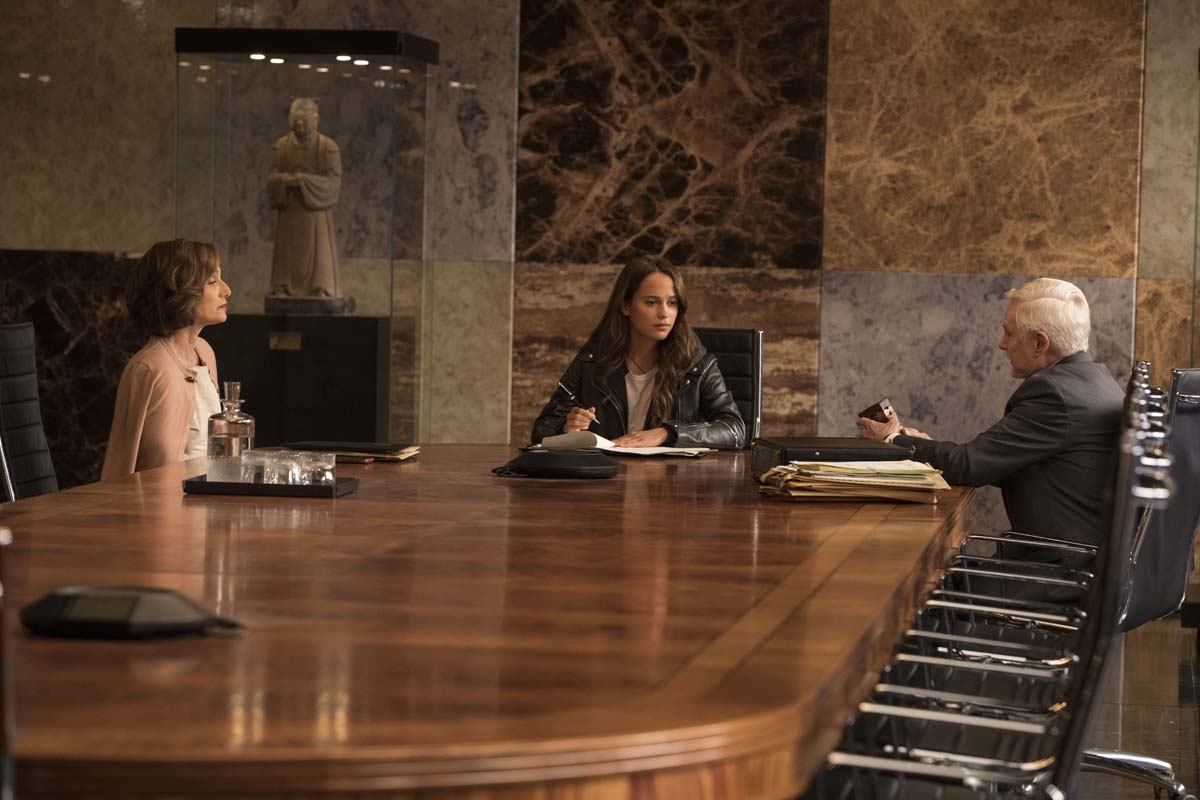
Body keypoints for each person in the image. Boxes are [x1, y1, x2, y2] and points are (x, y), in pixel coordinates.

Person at [857, 278, 1124, 545]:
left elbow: (969, 466)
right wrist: (924, 446)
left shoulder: (1055, 395)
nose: (1002, 344)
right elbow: (1002, 462)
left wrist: (891, 439)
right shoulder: (1097, 380)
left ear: (1039, 344)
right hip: (1079, 559)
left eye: (1009, 333)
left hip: (1049, 567)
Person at [531, 256, 745, 449]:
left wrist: (668, 433)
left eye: (672, 303)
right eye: (651, 302)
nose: (664, 313)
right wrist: (567, 428)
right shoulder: (593, 360)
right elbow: (542, 429)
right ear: (626, 306)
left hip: (671, 477)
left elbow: (734, 429)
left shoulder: (695, 362)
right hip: (607, 474)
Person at [101, 240, 231, 479]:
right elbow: (120, 466)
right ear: (180, 292)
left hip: (209, 494)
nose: (226, 290)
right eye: (213, 281)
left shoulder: (204, 352)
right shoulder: (150, 368)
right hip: (163, 500)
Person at [267, 97, 342, 298]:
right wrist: (285, 181)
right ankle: (282, 285)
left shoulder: (327, 147)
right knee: (286, 250)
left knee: (319, 253)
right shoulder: (281, 147)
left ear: (315, 120)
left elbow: (333, 183)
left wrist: (303, 180)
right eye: (296, 120)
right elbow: (271, 179)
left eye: (304, 120)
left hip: (315, 214)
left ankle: (320, 286)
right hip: (289, 212)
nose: (299, 124)